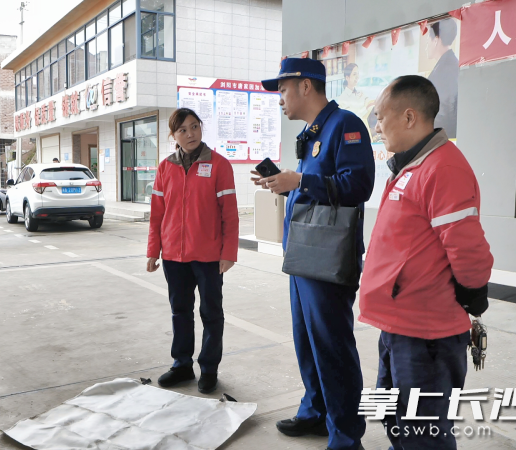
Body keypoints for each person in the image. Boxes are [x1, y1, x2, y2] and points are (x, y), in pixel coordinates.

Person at [359, 75, 493, 449]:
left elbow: (468, 249)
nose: (377, 126)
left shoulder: (442, 169)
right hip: (399, 326)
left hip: (426, 334)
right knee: (396, 418)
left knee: (424, 431)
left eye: (381, 117)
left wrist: (473, 292)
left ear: (409, 117)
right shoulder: (412, 165)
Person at [253, 58, 374, 450]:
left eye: (284, 90)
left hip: (328, 259)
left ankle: (345, 435)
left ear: (307, 86)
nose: (280, 99)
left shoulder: (346, 125)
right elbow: (322, 191)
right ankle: (316, 412)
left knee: (332, 345)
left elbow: (357, 185)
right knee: (306, 339)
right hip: (304, 256)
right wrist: (287, 185)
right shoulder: (312, 131)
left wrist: (301, 179)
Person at [146, 108, 239, 394]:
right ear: (173, 135)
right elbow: (157, 214)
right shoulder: (166, 168)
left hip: (209, 256)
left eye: (195, 127)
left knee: (211, 313)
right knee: (180, 311)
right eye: (183, 130)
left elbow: (230, 214)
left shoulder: (219, 165)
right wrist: (153, 251)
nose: (191, 134)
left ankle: (208, 369)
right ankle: (182, 365)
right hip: (174, 256)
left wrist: (229, 252)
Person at [426, 19, 459, 139]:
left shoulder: (444, 70)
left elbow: (443, 113)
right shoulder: (451, 64)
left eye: (427, 40)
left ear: (435, 40)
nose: (426, 46)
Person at [336, 63, 375, 128]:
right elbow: (353, 117)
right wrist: (366, 108)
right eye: (354, 74)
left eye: (357, 74)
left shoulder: (360, 92)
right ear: (347, 78)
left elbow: (368, 101)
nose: (357, 77)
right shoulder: (343, 98)